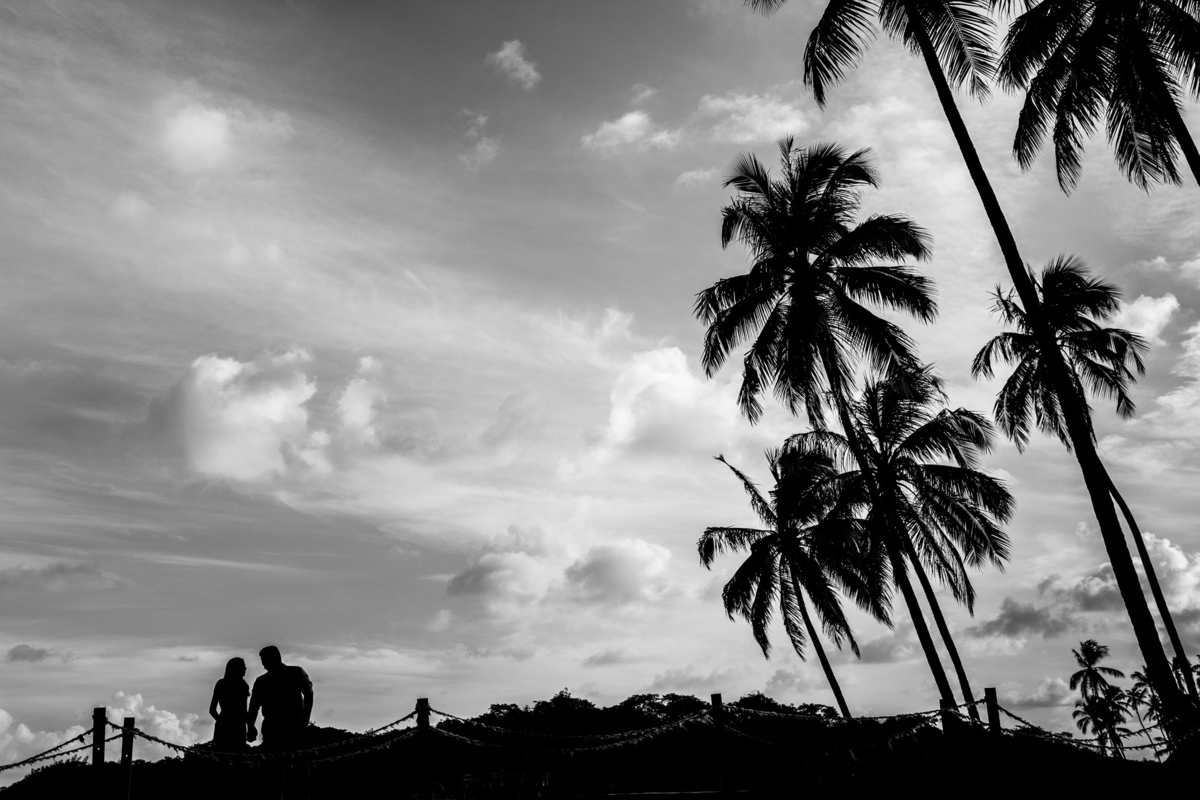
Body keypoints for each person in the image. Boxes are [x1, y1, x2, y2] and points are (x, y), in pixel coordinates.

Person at [247, 645, 313, 751]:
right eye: (262, 661)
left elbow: (309, 694)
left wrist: (305, 719)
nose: (263, 664)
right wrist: (250, 726)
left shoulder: (296, 672)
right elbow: (253, 706)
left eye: (265, 660)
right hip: (271, 727)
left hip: (293, 724)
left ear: (276, 658)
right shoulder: (261, 681)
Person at [208, 657, 250, 750]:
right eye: (243, 667)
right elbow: (212, 710)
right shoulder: (241, 686)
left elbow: (212, 710)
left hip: (236, 727)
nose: (245, 669)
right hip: (236, 727)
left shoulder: (242, 685)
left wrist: (221, 722)